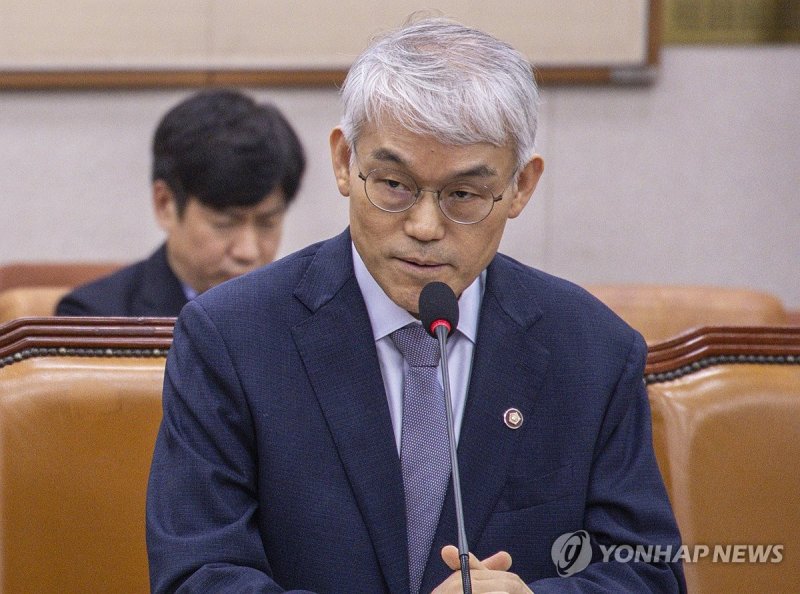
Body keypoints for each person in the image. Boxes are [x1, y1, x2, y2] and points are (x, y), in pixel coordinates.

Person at [146, 17, 686, 593]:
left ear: (521, 187)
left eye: (463, 194)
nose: (424, 227)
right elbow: (197, 576)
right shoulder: (233, 337)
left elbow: (648, 575)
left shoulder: (592, 352)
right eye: (394, 185)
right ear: (343, 162)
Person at [55, 89, 305, 317]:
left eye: (267, 223)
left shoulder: (307, 313)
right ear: (165, 204)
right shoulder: (95, 317)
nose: (248, 252)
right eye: (225, 223)